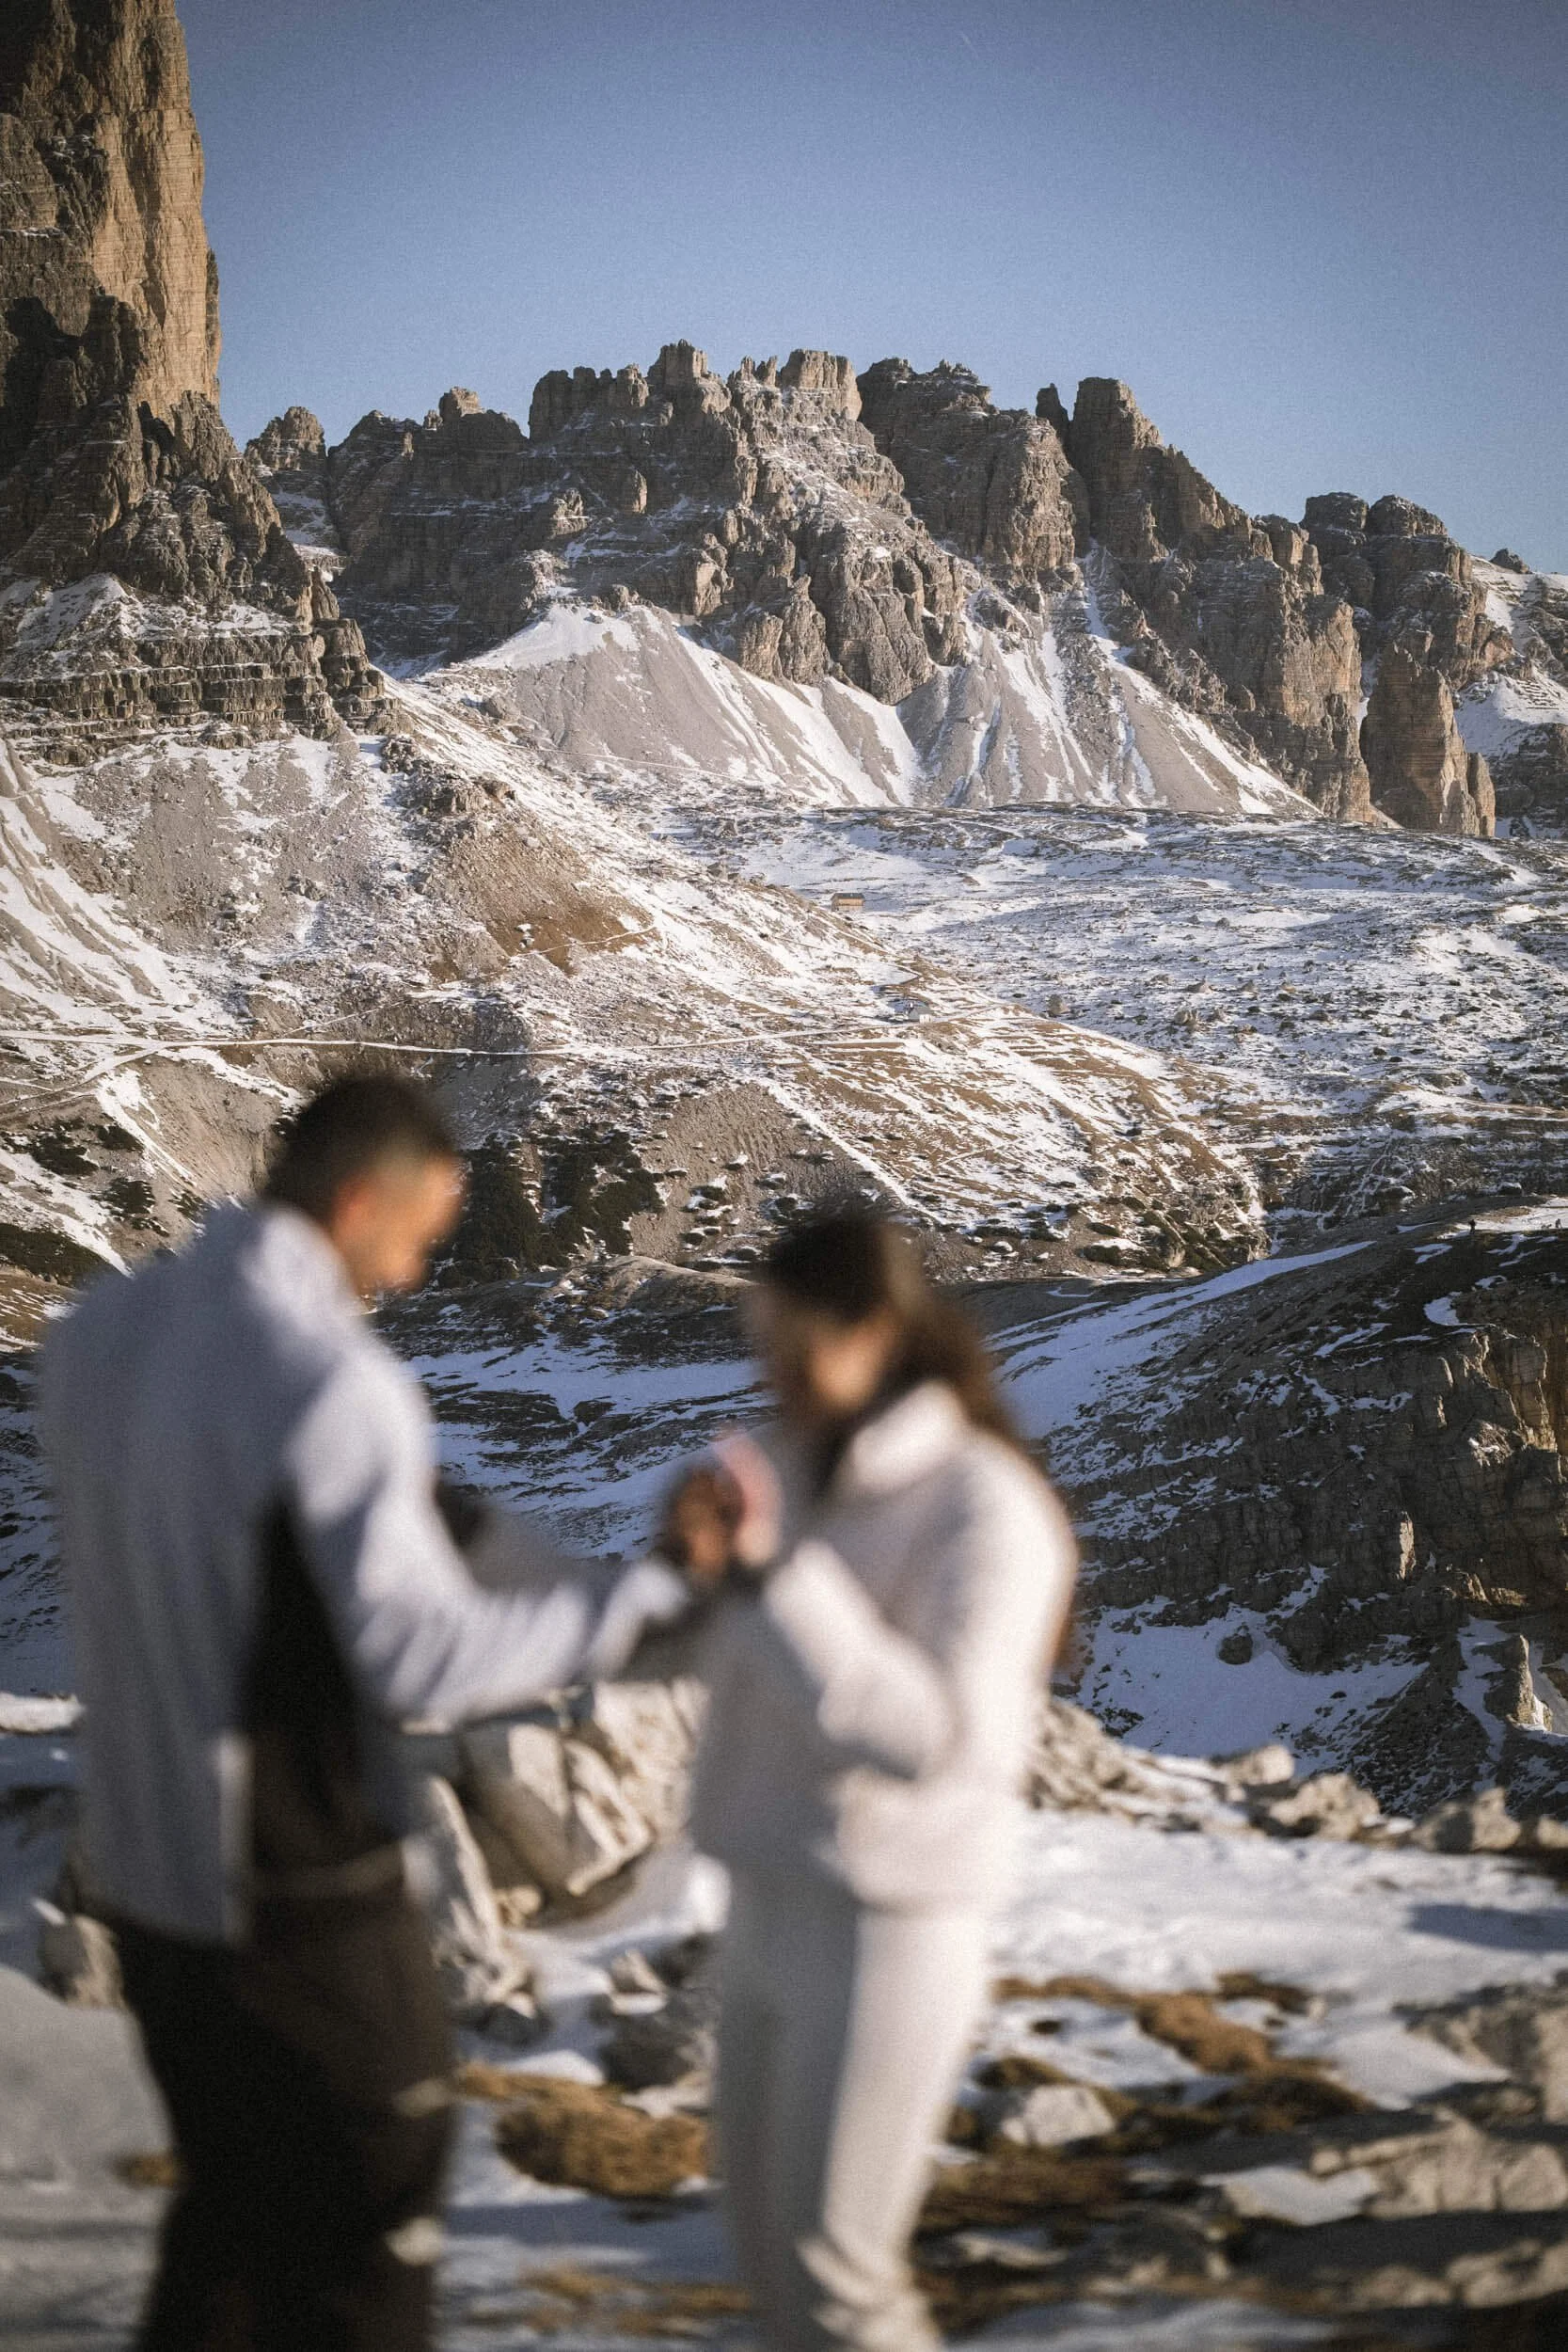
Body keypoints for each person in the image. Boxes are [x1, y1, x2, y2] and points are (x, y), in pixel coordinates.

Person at [39, 1073, 690, 2352]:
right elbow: (412, 1658)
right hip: (294, 1881)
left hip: (149, 1879)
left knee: (230, 2222)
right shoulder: (327, 1380)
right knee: (372, 2214)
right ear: (354, 1203)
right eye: (415, 1237)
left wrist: (549, 1561)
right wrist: (634, 1615)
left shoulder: (100, 1333)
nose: (408, 1273)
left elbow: (312, 1528)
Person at [659, 1212, 1078, 2352]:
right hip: (765, 1900)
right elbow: (743, 1662)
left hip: (890, 1924)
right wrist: (695, 1580)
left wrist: (770, 1573)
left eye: (792, 1344)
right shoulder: (795, 1475)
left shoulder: (986, 1505)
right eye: (761, 1342)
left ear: (879, 1332)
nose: (771, 1372)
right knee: (766, 2266)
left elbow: (938, 1735)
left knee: (837, 2277)